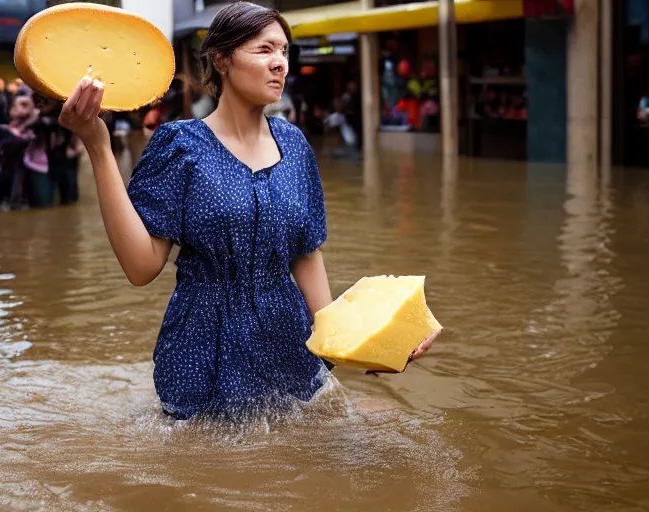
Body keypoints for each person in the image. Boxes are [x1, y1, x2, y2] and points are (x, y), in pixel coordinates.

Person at [59, 2, 434, 420]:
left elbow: (306, 253)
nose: (280, 65)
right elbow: (141, 267)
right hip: (203, 353)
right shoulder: (179, 147)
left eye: (285, 52)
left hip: (288, 345)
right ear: (221, 59)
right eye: (264, 50)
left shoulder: (294, 145)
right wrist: (97, 144)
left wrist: (372, 341)